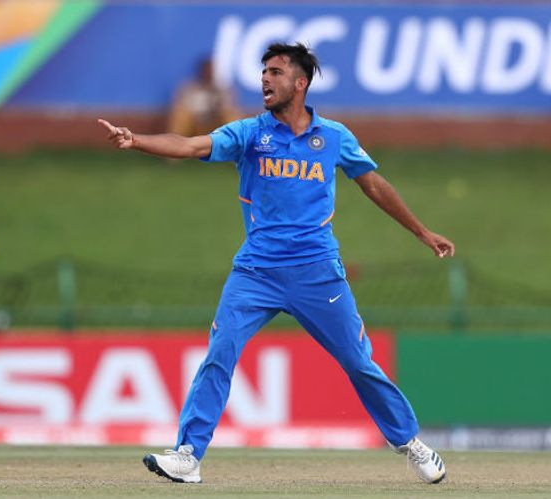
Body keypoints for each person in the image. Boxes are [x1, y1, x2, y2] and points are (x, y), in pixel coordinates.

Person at [99, 43, 454, 485]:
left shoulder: (335, 137)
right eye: (263, 72)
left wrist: (422, 232)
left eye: (275, 72)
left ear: (300, 83)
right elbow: (190, 144)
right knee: (220, 354)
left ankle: (409, 442)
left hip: (318, 272)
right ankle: (188, 455)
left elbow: (374, 185)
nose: (265, 79)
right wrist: (136, 141)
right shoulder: (250, 133)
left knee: (358, 362)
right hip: (256, 273)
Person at [167, 58, 241, 137]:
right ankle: (176, 143)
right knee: (181, 115)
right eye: (205, 71)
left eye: (210, 71)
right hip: (195, 122)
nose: (208, 74)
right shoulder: (189, 88)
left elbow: (228, 106)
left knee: (231, 114)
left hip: (216, 122)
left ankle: (236, 143)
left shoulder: (223, 89)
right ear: (200, 72)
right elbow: (182, 106)